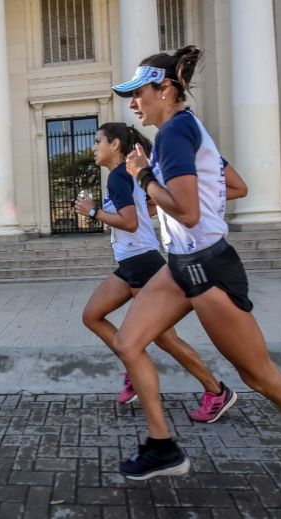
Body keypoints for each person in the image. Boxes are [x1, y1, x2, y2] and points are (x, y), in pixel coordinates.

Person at [110, 46, 281, 518]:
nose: (133, 105)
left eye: (139, 94)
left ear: (165, 89)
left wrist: (145, 175)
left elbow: (189, 209)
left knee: (260, 376)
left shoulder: (173, 134)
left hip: (209, 272)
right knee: (130, 342)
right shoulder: (190, 129)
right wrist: (181, 198)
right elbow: (235, 187)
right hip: (181, 265)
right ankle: (162, 447)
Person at [73, 122, 245, 423]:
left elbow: (130, 223)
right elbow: (142, 211)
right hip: (130, 263)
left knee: (166, 339)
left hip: (144, 263)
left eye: (98, 141)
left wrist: (91, 212)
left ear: (114, 145)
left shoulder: (117, 178)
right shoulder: (123, 175)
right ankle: (132, 367)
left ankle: (216, 391)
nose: (93, 147)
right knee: (92, 316)